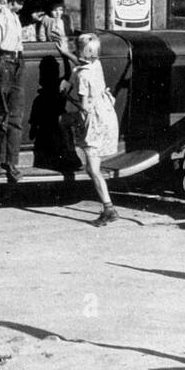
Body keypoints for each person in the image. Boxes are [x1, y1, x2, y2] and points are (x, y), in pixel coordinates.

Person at [63, 32, 120, 225]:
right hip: (107, 114)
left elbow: (85, 107)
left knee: (93, 169)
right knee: (93, 166)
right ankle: (108, 207)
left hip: (94, 121)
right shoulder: (96, 64)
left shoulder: (82, 76)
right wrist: (66, 54)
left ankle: (108, 208)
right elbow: (82, 62)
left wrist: (66, 96)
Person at [0, 0, 32, 182]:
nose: (21, 3)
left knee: (15, 115)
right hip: (2, 61)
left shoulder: (14, 16)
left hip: (16, 61)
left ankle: (11, 162)